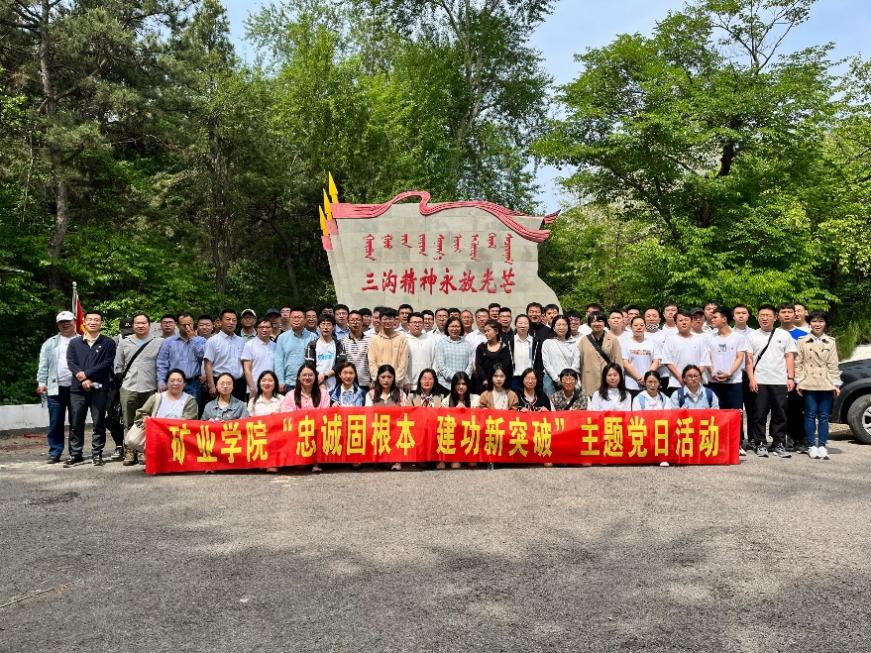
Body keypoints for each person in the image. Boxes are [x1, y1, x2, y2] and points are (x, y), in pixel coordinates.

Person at [64, 310, 117, 467]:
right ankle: (76, 455)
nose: (93, 322)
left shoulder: (108, 343)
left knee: (98, 423)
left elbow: (107, 363)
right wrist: (82, 377)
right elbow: (71, 362)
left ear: (102, 323)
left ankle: (97, 454)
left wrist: (86, 374)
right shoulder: (74, 343)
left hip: (99, 388)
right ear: (84, 322)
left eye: (96, 319)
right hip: (77, 389)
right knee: (76, 423)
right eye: (90, 319)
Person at [746, 304, 796, 458]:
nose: (765, 318)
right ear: (757, 317)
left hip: (780, 381)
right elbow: (749, 359)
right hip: (760, 381)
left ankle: (778, 443)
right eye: (762, 315)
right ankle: (760, 442)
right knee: (759, 414)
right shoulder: (752, 336)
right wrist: (751, 378)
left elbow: (789, 356)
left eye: (768, 315)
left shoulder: (784, 335)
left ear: (775, 318)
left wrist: (790, 377)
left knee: (780, 413)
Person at [114, 313, 164, 465]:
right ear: (133, 325)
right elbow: (118, 365)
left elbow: (163, 364)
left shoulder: (159, 342)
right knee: (128, 421)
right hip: (128, 388)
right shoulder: (125, 343)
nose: (140, 326)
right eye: (137, 323)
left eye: (143, 323)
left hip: (150, 388)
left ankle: (143, 450)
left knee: (147, 421)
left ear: (149, 325)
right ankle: (130, 450)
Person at [701, 306, 749, 454]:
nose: (712, 319)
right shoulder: (709, 337)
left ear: (724, 319)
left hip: (734, 381)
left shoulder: (738, 338)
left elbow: (740, 357)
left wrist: (729, 373)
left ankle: (736, 444)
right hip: (714, 381)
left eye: (715, 317)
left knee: (735, 413)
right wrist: (712, 373)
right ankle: (718, 442)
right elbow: (707, 357)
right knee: (716, 413)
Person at [127, 369, 199, 466]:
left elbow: (190, 422)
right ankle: (152, 455)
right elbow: (141, 413)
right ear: (167, 383)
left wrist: (166, 427)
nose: (175, 383)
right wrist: (147, 421)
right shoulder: (157, 398)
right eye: (172, 380)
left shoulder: (190, 400)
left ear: (184, 384)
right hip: (155, 436)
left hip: (178, 438)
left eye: (179, 380)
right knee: (133, 438)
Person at [795, 311, 842, 460]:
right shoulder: (802, 341)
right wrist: (799, 381)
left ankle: (822, 445)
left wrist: (836, 384)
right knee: (809, 415)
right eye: (814, 321)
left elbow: (833, 364)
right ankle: (811, 446)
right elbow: (798, 363)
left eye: (821, 321)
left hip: (826, 383)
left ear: (825, 324)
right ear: (810, 323)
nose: (817, 324)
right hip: (809, 382)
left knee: (823, 416)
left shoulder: (830, 342)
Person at [36, 311, 78, 463]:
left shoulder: (83, 340)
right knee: (55, 422)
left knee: (76, 422)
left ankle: (75, 452)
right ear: (58, 325)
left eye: (68, 321)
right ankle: (55, 452)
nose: (65, 324)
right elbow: (43, 365)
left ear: (74, 322)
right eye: (62, 322)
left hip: (76, 389)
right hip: (55, 388)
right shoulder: (50, 343)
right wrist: (41, 383)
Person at [577, 311, 623, 400]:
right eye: (593, 321)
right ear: (589, 324)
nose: (597, 324)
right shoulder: (583, 340)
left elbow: (618, 361)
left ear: (605, 323)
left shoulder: (613, 339)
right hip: (589, 380)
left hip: (608, 379)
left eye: (600, 321)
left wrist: (619, 381)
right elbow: (579, 362)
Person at [203, 309, 246, 401]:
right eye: (228, 319)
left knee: (239, 409)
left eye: (234, 320)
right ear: (220, 322)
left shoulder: (241, 341)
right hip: (220, 382)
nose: (231, 322)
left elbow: (243, 363)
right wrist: (212, 386)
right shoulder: (212, 341)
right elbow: (208, 364)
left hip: (238, 384)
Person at [661, 310, 706, 396]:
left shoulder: (700, 340)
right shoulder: (670, 340)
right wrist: (680, 377)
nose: (684, 322)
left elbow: (704, 361)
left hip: (696, 384)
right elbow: (667, 361)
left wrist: (695, 377)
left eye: (686, 320)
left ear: (691, 322)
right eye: (680, 320)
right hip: (676, 383)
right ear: (676, 323)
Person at [274, 307, 317, 394]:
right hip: (288, 383)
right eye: (293, 317)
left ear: (305, 320)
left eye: (299, 317)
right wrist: (280, 380)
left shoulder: (313, 337)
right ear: (289, 319)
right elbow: (278, 361)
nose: (296, 320)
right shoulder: (282, 338)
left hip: (308, 382)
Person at [367, 308, 408, 390]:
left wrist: (395, 380)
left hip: (397, 384)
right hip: (379, 384)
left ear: (395, 320)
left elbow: (403, 362)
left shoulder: (401, 338)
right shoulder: (375, 339)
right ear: (380, 320)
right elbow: (371, 362)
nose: (388, 321)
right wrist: (379, 379)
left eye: (390, 319)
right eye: (385, 319)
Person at [305, 313, 345, 392]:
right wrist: (319, 378)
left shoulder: (339, 344)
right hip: (316, 383)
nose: (325, 327)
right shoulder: (312, 345)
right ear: (318, 327)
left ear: (334, 327)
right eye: (323, 324)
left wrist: (325, 375)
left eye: (328, 324)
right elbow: (309, 365)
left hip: (335, 385)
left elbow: (341, 364)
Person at [622, 316, 661, 397]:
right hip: (631, 384)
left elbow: (656, 361)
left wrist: (647, 378)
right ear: (631, 327)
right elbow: (625, 363)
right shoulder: (625, 343)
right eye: (636, 325)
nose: (639, 327)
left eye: (641, 325)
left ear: (645, 326)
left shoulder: (652, 342)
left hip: (650, 384)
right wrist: (639, 378)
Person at [541, 315, 579, 397]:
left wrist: (568, 378)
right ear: (553, 328)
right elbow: (546, 364)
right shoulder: (547, 343)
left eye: (564, 325)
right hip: (551, 378)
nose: (561, 327)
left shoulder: (573, 343)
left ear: (568, 327)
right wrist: (557, 379)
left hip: (569, 377)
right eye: (558, 325)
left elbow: (576, 363)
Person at [474, 320, 513, 393]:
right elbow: (478, 365)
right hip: (483, 385)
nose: (486, 333)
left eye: (488, 331)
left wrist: (498, 379)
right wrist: (484, 380)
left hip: (500, 384)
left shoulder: (504, 348)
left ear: (496, 331)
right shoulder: (481, 347)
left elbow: (507, 366)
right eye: (485, 331)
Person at [435, 316, 474, 391]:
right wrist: (456, 378)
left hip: (463, 384)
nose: (454, 329)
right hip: (444, 385)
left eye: (457, 326)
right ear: (447, 328)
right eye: (452, 326)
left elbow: (470, 364)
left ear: (461, 328)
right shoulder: (441, 344)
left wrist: (462, 378)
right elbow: (441, 365)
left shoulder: (467, 344)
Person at [508, 314, 544, 394]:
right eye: (520, 323)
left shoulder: (536, 342)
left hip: (530, 379)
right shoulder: (509, 342)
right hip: (514, 379)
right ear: (515, 325)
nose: (523, 326)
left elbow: (539, 363)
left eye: (525, 323)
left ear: (529, 326)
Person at [241, 318, 276, 397]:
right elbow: (246, 369)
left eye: (267, 327)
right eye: (261, 327)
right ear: (256, 329)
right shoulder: (249, 345)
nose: (264, 330)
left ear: (271, 329)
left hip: (272, 388)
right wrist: (252, 387)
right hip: (255, 388)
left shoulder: (275, 346)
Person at [404, 312, 435, 392]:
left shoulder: (430, 340)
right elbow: (401, 363)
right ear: (408, 325)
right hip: (408, 385)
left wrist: (432, 379)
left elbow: (435, 362)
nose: (417, 325)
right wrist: (405, 381)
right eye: (414, 322)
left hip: (427, 385)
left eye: (420, 322)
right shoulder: (403, 340)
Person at [342, 309, 371, 387]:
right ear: (348, 323)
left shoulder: (370, 340)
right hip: (348, 382)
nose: (355, 322)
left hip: (366, 383)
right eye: (352, 320)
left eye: (358, 320)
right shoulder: (342, 341)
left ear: (362, 322)